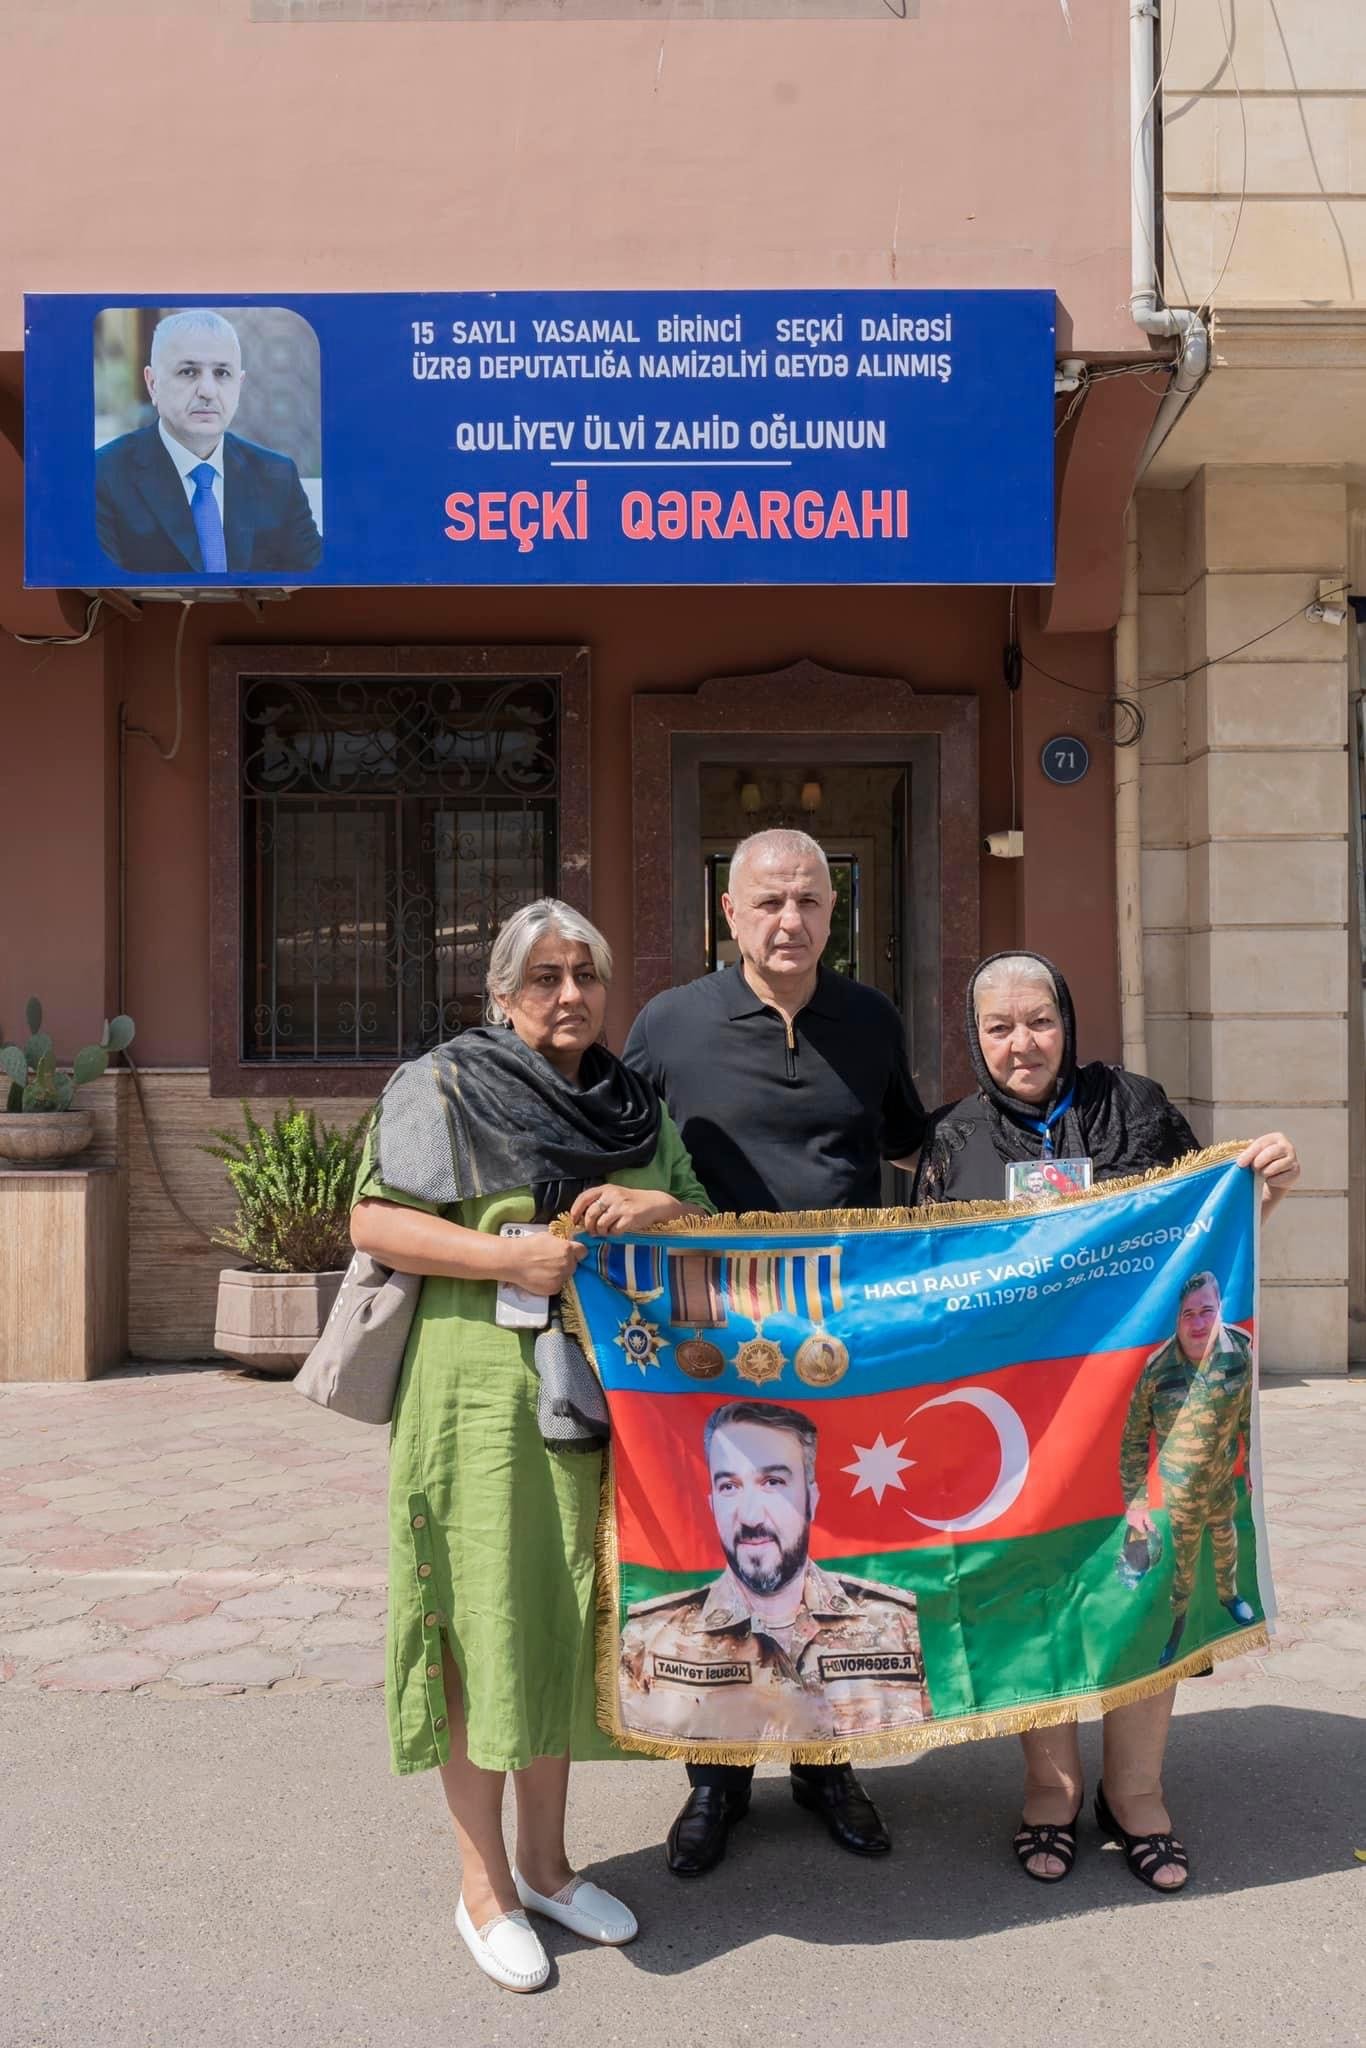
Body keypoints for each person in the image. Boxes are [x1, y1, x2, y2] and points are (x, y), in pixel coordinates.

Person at [350, 898, 711, 1994]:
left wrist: (653, 1202)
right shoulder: (445, 1083)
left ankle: (550, 1865)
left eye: (586, 975)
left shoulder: (633, 1100)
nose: (569, 995)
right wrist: (499, 1259)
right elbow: (371, 1220)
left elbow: (699, 1215)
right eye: (544, 977)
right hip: (477, 1396)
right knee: (482, 1623)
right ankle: (485, 1886)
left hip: (602, 1397)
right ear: (501, 996)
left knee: (562, 1617)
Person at [913, 949, 1299, 1894]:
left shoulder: (1136, 1106)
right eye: (999, 1028)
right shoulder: (953, 1141)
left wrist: (1263, 1185)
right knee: (1038, 1590)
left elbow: (1212, 1222)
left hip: (1146, 1415)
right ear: (975, 1038)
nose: (1022, 1044)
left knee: (1143, 1579)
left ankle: (1137, 1795)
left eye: (1038, 1022)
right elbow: (924, 1282)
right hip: (1026, 1425)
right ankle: (1050, 1791)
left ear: (1068, 1022)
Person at [624, 826, 926, 1876]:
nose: (788, 920)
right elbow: (616, 1143)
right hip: (707, 1343)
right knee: (723, 1550)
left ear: (833, 912)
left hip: (842, 1342)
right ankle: (714, 1780)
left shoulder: (871, 1019)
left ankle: (827, 1765)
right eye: (768, 902)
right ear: (729, 914)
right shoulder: (669, 1023)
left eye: (807, 901)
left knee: (830, 1551)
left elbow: (911, 1149)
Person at [620, 1400, 926, 1744]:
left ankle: (829, 1775)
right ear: (712, 1505)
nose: (750, 1517)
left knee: (831, 1773)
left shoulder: (893, 1624)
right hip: (714, 1772)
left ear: (811, 1498)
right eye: (729, 1487)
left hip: (835, 1765)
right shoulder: (651, 1637)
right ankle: (717, 1780)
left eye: (773, 1482)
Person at [95, 309, 322, 576]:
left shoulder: (277, 476)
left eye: (222, 373)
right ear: (153, 383)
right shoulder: (103, 475)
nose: (208, 391)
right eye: (188, 371)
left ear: (239, 384)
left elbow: (318, 586)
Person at [1120, 1269, 1256, 1669]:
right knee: (1184, 1564)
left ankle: (1229, 1596)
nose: (1198, 1324)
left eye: (1207, 1312)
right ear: (1176, 1318)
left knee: (1227, 1540)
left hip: (1221, 1483)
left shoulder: (1239, 1351)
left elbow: (1249, 1413)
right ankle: (1180, 1625)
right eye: (1188, 1315)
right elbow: (1132, 1439)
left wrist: (1251, 1462)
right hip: (1179, 1493)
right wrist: (1136, 1501)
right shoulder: (1156, 1370)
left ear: (1220, 1310)